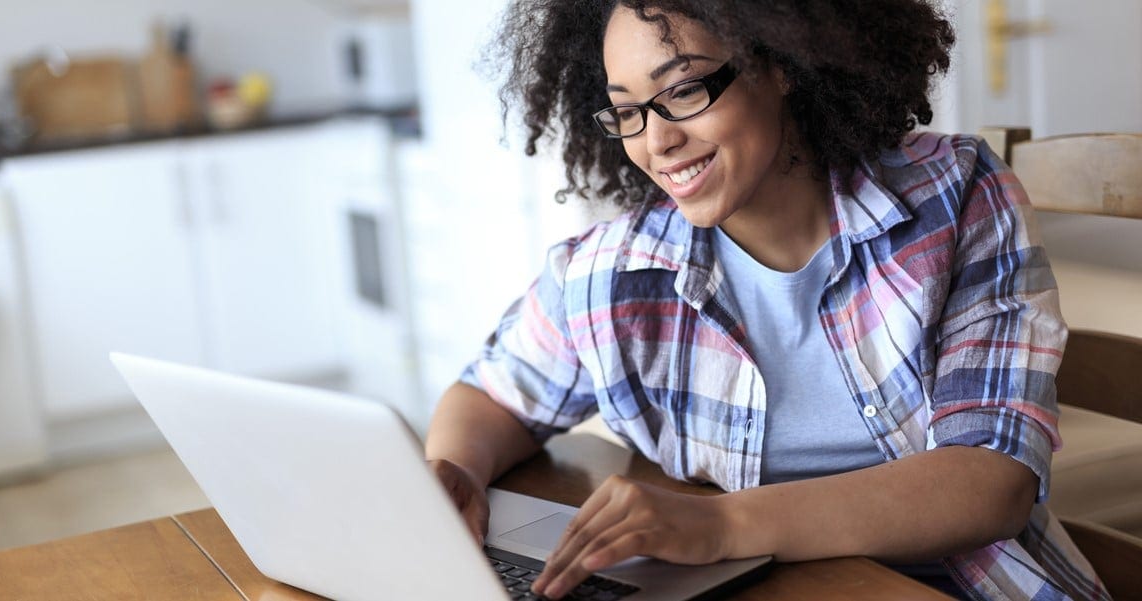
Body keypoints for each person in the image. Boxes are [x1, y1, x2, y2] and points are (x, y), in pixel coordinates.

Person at [424, 1, 1109, 600]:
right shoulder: (615, 271)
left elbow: (991, 480)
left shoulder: (953, 197)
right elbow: (490, 395)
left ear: (778, 61)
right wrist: (454, 474)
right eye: (628, 112)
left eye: (685, 89)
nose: (657, 141)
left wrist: (723, 524)